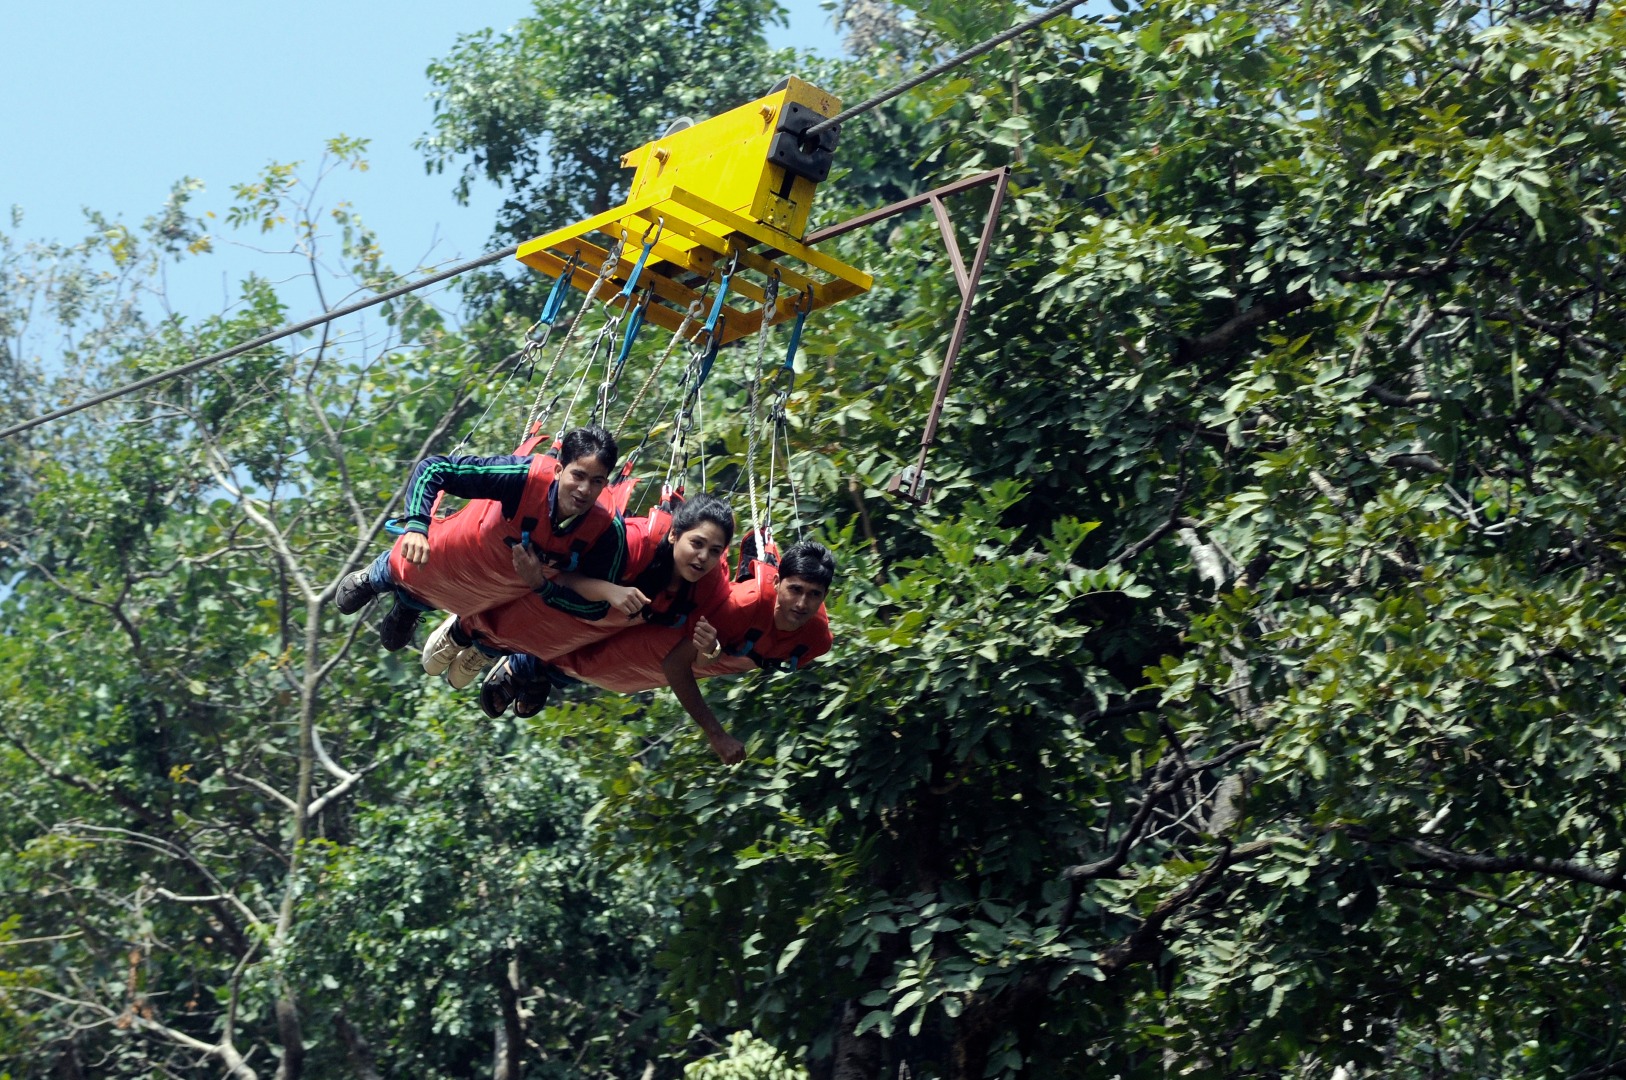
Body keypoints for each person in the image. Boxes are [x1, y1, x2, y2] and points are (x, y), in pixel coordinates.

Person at [482, 539, 836, 765]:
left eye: (814, 595)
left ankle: (538, 672)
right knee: (603, 649)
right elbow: (674, 664)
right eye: (795, 589)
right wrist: (716, 733)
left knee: (611, 673)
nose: (802, 603)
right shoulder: (745, 606)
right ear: (777, 583)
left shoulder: (817, 641)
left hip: (708, 653)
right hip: (674, 638)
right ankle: (520, 661)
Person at [330, 426, 626, 668]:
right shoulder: (522, 478)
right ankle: (377, 575)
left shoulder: (605, 528)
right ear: (559, 469)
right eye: (578, 475)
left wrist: (542, 586)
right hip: (448, 554)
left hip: (482, 592)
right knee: (421, 567)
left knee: (457, 601)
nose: (585, 490)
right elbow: (433, 470)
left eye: (597, 481)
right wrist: (417, 526)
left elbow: (595, 606)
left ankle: (410, 606)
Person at [420, 492, 737, 692]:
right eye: (697, 544)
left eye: (714, 551)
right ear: (674, 537)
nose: (702, 557)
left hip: (576, 629)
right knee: (530, 613)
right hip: (553, 596)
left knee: (555, 640)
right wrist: (610, 591)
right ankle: (461, 630)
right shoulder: (632, 543)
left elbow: (705, 652)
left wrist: (710, 649)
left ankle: (486, 648)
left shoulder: (703, 586)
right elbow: (565, 575)